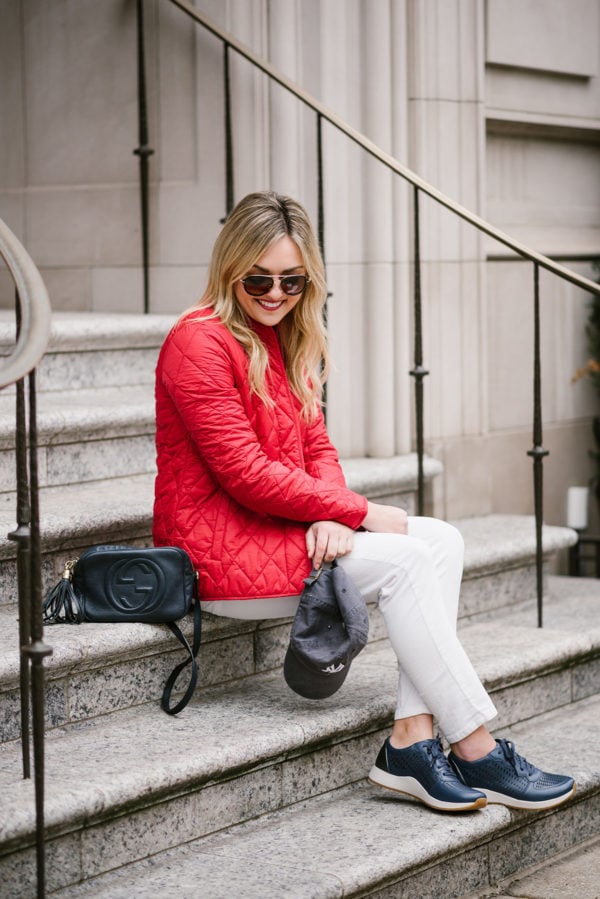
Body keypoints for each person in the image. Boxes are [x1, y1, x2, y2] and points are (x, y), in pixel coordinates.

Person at [153, 190, 575, 813]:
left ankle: (410, 738)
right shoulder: (198, 342)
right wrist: (359, 512)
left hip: (277, 529)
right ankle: (477, 747)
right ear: (228, 270)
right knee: (406, 558)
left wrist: (328, 508)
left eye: (292, 281)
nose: (275, 293)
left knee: (443, 539)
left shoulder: (289, 338)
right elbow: (243, 472)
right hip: (217, 547)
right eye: (258, 279)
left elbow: (317, 448)